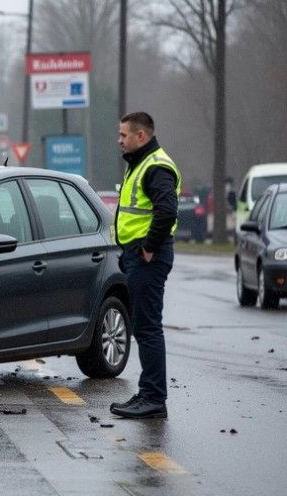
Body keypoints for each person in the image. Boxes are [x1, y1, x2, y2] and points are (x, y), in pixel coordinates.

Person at [110, 111, 181, 420]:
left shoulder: (156, 167)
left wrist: (150, 247)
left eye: (124, 135)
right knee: (144, 326)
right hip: (136, 256)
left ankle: (153, 398)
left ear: (141, 136)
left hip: (147, 257)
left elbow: (167, 211)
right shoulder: (140, 164)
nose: (119, 140)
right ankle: (149, 393)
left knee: (147, 327)